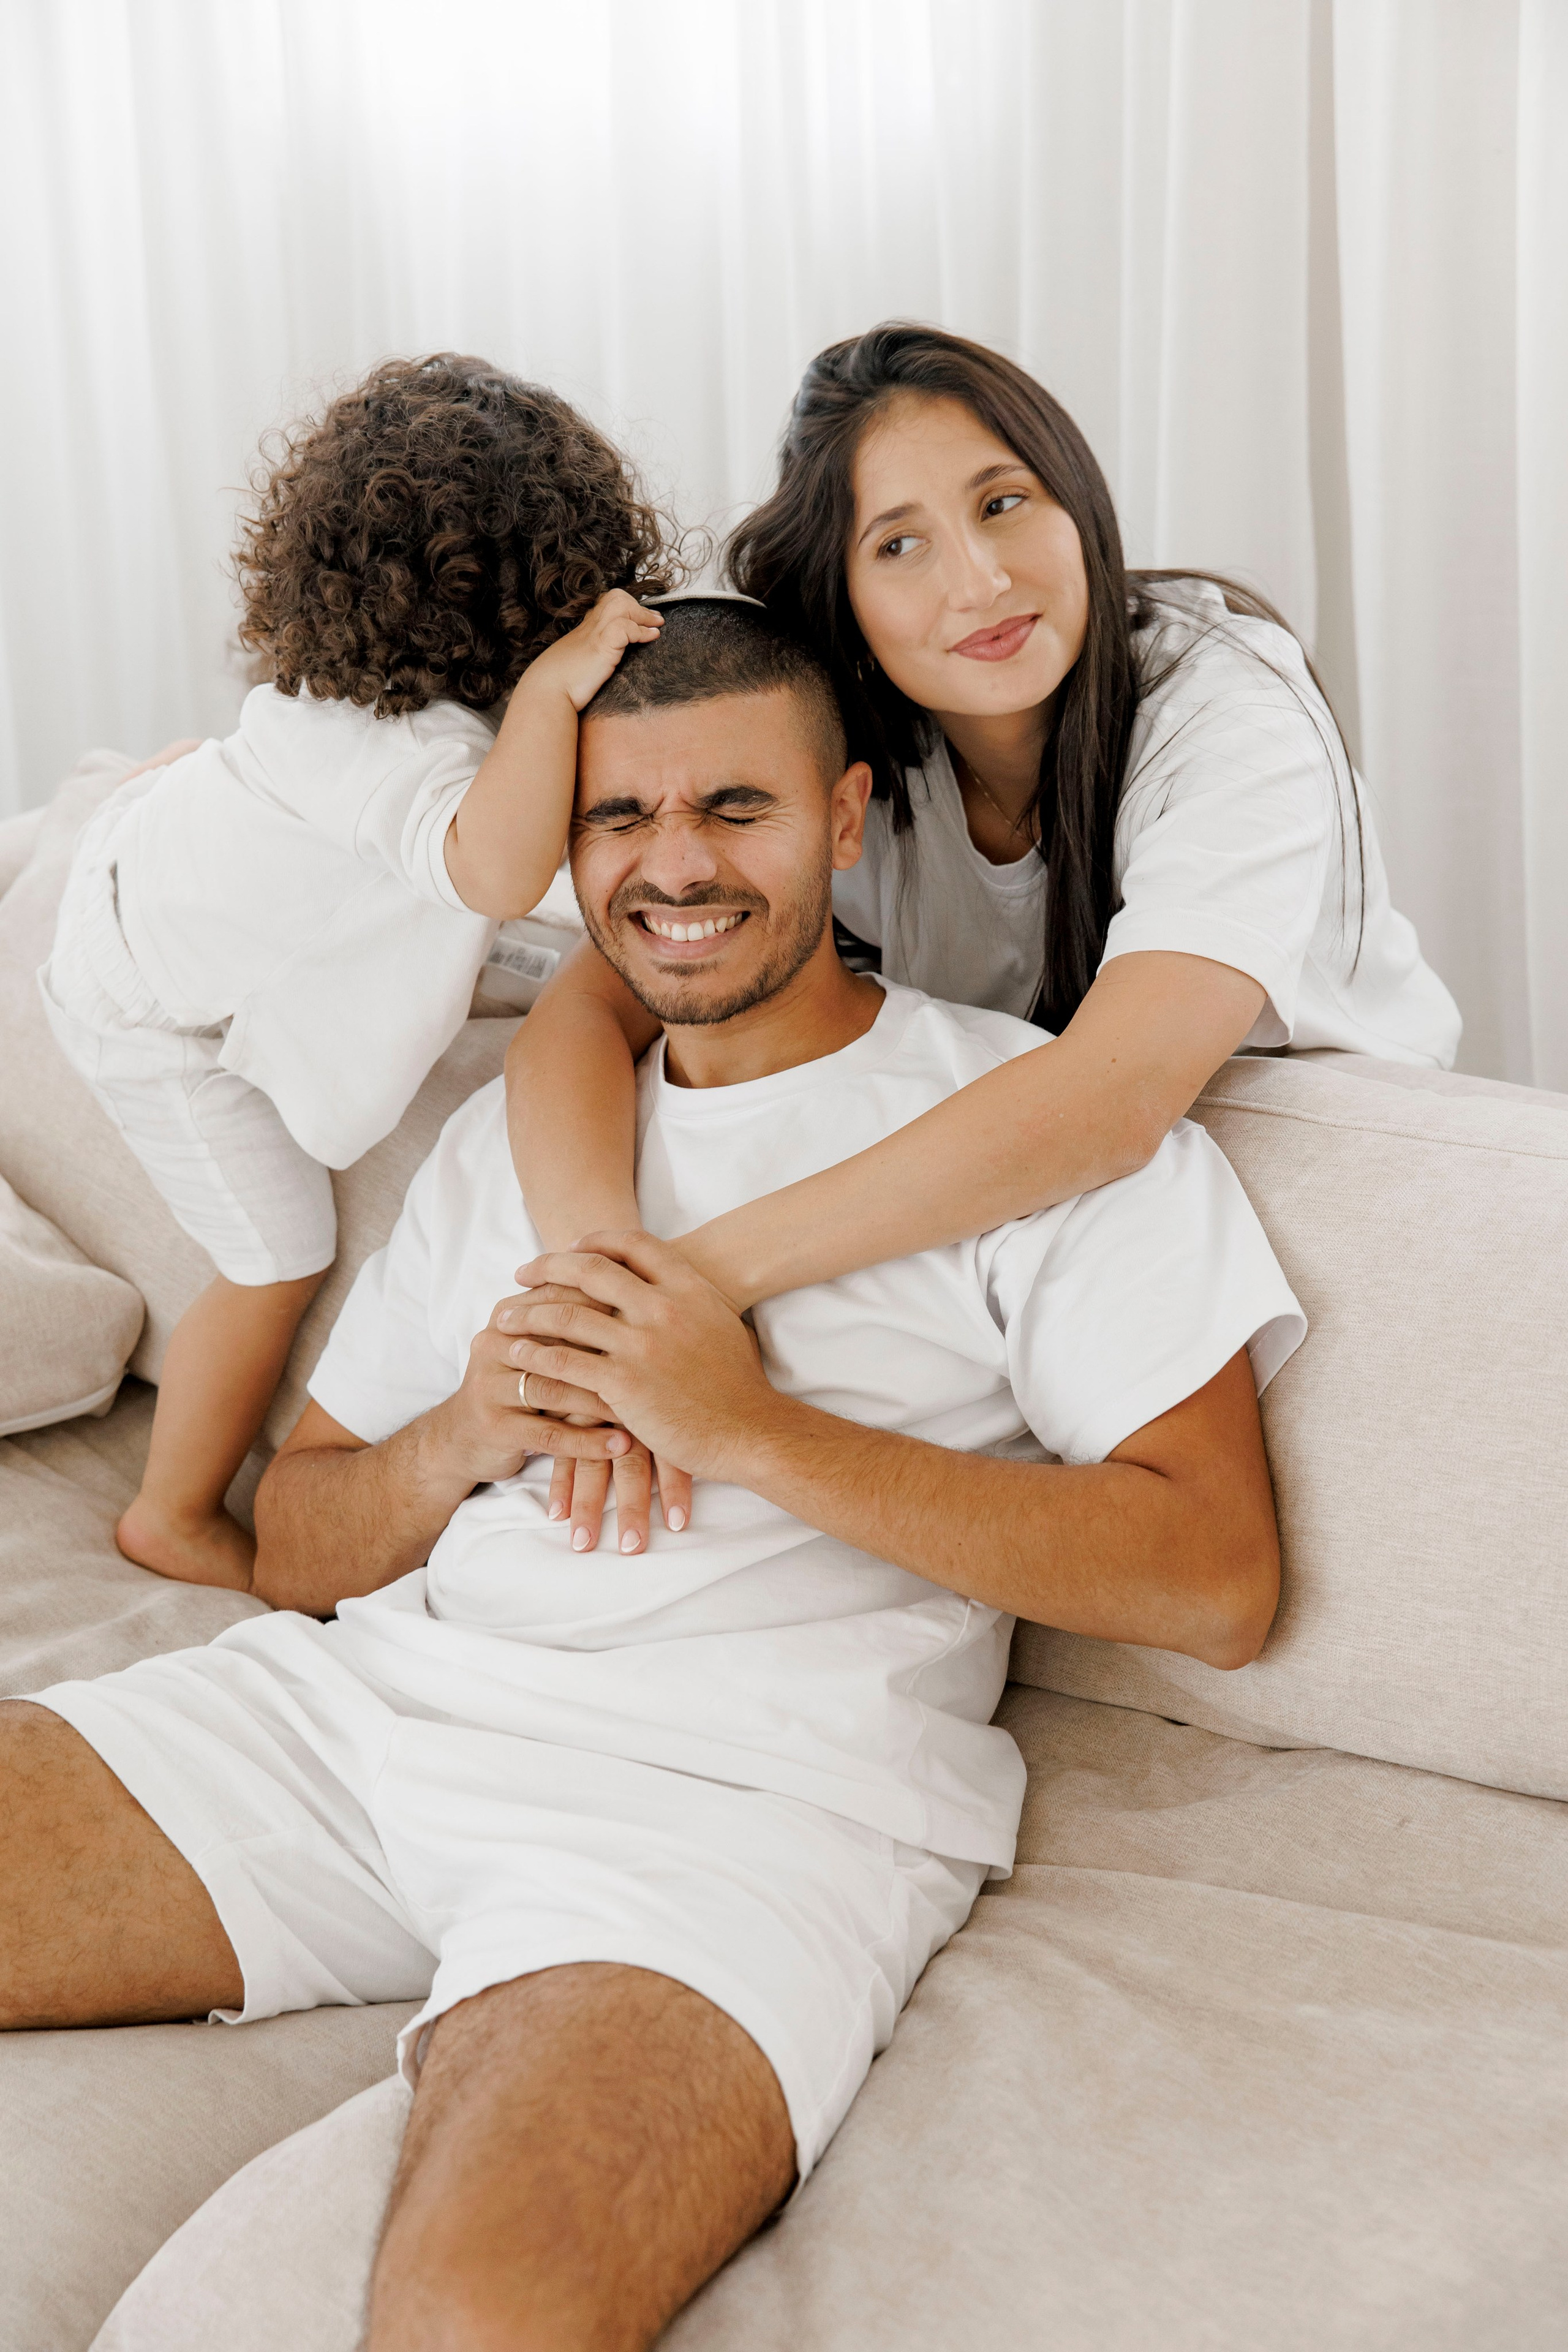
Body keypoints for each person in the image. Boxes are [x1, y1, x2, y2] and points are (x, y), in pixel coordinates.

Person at [1, 601, 1304, 2350]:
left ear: (846, 819)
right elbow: (301, 1543)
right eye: (621, 818)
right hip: (367, 1716)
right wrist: (471, 1432)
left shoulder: (1040, 1134)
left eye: (736, 811)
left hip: (733, 1820)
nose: (673, 865)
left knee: (484, 2318)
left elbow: (1213, 1582)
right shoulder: (516, 1136)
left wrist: (748, 1425)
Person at [510, 322, 1457, 1554]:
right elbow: (588, 1004)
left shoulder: (1222, 696)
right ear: (840, 591)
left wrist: (692, 1284)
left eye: (1003, 503)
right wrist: (605, 1287)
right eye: (898, 543)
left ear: (1075, 503)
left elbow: (1110, 1102)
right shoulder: (850, 753)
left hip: (1299, 1165)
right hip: (1022, 1187)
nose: (979, 581)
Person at [39, 352, 668, 1593]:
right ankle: (168, 1511)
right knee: (279, 1250)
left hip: (148, 848)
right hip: (135, 1005)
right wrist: (548, 694)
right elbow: (491, 871)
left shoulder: (363, 692)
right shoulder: (388, 751)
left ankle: (127, 798)